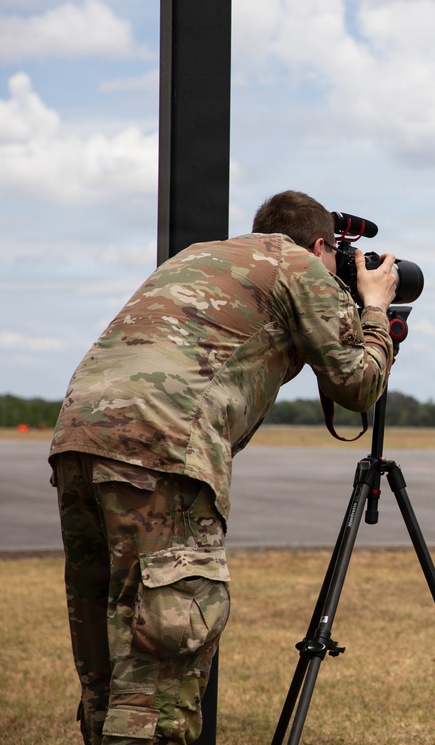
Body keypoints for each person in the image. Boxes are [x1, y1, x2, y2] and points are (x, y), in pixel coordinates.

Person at [49, 190, 398, 745]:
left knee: (106, 648)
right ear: (318, 245)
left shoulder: (204, 255)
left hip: (78, 438)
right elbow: (357, 384)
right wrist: (375, 307)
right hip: (163, 446)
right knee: (164, 653)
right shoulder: (300, 264)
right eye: (339, 258)